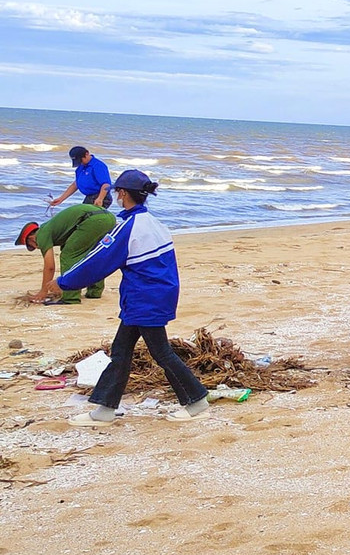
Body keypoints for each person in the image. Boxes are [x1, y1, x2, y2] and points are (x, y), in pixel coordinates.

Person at [54, 170, 211, 426]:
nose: (116, 195)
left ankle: (196, 401)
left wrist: (64, 282)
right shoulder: (154, 224)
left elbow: (99, 261)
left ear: (124, 194)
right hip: (155, 295)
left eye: (118, 192)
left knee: (161, 353)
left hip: (144, 299)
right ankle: (105, 409)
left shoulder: (129, 227)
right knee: (121, 351)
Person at [15, 204, 117, 304]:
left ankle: (70, 297)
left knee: (68, 255)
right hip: (108, 217)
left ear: (31, 238)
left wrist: (43, 291)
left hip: (93, 220)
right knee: (93, 254)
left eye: (32, 245)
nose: (37, 247)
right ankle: (95, 291)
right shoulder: (54, 229)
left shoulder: (41, 234)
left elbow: (49, 266)